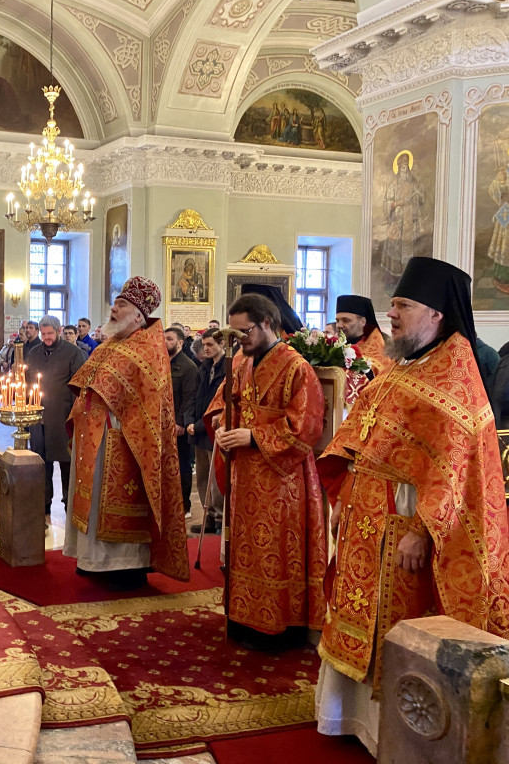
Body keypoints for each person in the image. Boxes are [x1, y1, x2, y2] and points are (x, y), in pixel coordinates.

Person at [316, 257, 509, 756]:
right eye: (393, 304)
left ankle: (398, 729)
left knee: (395, 626)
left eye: (403, 305)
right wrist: (346, 496)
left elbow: (456, 470)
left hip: (403, 530)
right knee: (355, 618)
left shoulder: (455, 376)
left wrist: (421, 533)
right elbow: (363, 436)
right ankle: (348, 719)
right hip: (366, 518)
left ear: (437, 315)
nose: (393, 313)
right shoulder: (404, 365)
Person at [206, 293, 327, 649]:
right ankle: (243, 616)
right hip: (244, 475)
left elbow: (306, 425)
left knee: (275, 548)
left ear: (268, 324)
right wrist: (220, 421)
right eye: (235, 333)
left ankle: (279, 626)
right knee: (244, 547)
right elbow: (224, 401)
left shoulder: (296, 368)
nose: (239, 341)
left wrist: (254, 435)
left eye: (244, 332)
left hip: (281, 478)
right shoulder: (242, 362)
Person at [63, 277, 189, 591]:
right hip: (93, 437)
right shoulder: (110, 344)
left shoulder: (148, 348)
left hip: (125, 440)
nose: (113, 309)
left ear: (137, 315)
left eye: (120, 306)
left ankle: (122, 566)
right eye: (115, 304)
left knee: (116, 505)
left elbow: (148, 402)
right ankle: (91, 559)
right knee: (90, 503)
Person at [27, 316, 86, 526]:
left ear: (59, 331)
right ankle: (43, 505)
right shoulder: (34, 353)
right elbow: (28, 382)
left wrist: (73, 415)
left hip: (63, 418)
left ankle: (71, 506)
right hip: (38, 418)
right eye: (43, 334)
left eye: (50, 334)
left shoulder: (73, 353)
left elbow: (79, 386)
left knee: (66, 463)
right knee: (41, 463)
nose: (46, 338)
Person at [188, 329, 226, 533]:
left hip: (213, 428)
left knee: (215, 476)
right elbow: (194, 396)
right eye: (204, 345)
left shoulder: (227, 368)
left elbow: (220, 404)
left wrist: (201, 424)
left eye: (210, 344)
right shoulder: (204, 367)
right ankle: (208, 516)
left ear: (222, 344)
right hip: (198, 429)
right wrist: (190, 421)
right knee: (202, 476)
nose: (206, 348)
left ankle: (220, 518)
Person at [164, 327, 198, 519]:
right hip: (161, 423)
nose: (165, 342)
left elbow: (189, 398)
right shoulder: (160, 363)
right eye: (163, 338)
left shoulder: (188, 367)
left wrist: (180, 422)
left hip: (178, 426)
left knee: (182, 465)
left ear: (180, 343)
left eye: (169, 339)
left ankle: (185, 505)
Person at [381, 153, 424, 284]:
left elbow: (421, 199)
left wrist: (416, 197)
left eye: (406, 167)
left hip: (410, 220)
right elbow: (387, 203)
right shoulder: (394, 184)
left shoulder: (414, 183)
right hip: (397, 220)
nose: (404, 170)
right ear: (398, 168)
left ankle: (408, 279)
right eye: (402, 167)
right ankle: (395, 279)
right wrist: (397, 203)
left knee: (409, 250)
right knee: (395, 247)